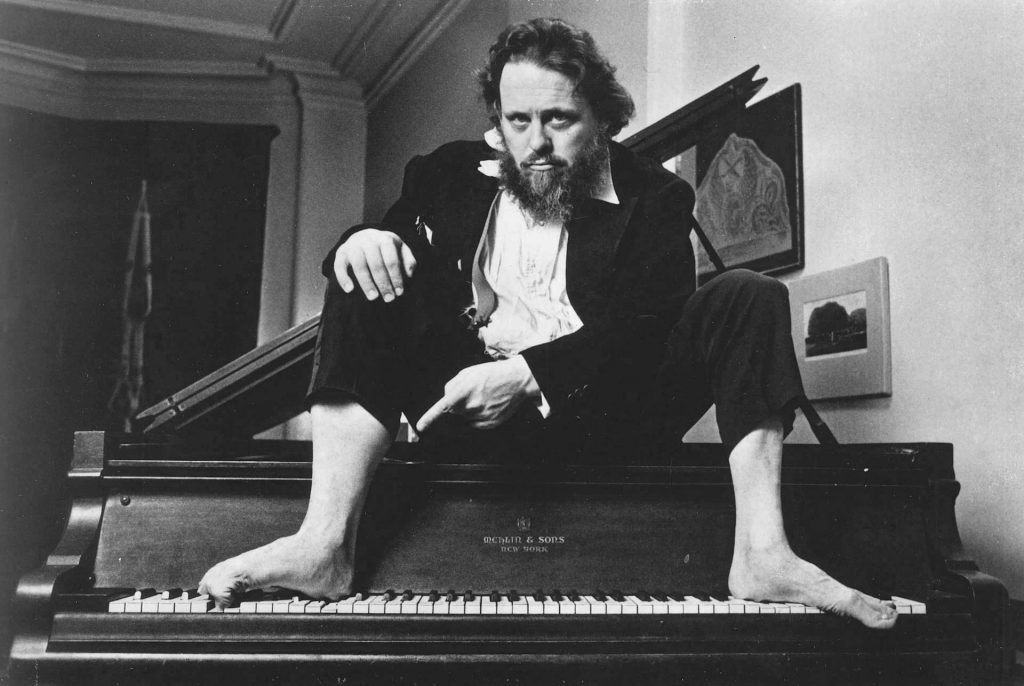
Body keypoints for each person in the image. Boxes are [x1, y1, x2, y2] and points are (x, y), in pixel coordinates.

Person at [200, 18, 897, 630]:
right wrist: (360, 241)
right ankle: (324, 545)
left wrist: (529, 375)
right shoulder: (445, 173)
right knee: (366, 268)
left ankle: (764, 554)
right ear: (497, 120)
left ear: (602, 118)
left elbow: (645, 327)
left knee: (750, 293)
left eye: (559, 120)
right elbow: (390, 246)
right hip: (464, 416)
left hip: (607, 420)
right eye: (517, 120)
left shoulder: (658, 196)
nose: (534, 143)